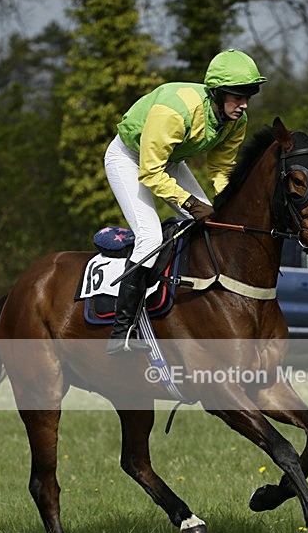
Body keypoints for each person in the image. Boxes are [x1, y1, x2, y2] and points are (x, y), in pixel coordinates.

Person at [104, 49, 267, 354]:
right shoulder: (175, 112)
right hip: (129, 159)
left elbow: (221, 169)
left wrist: (227, 204)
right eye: (237, 97)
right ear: (217, 93)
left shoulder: (236, 120)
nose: (244, 104)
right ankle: (122, 330)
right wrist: (191, 204)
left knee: (213, 223)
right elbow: (150, 172)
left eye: (248, 96)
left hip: (170, 162)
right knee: (150, 237)